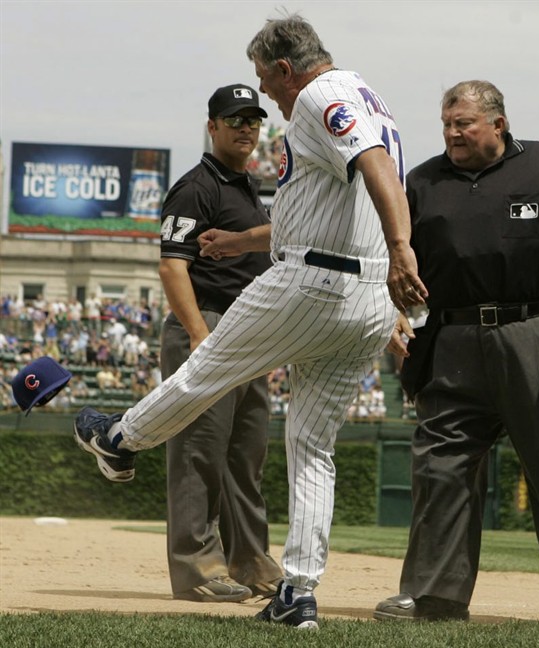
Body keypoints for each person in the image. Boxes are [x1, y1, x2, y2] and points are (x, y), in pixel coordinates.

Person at [72, 14, 425, 630]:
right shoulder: (372, 95)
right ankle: (298, 595)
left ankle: (119, 440)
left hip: (314, 284)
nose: (264, 91)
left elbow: (374, 167)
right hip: (364, 297)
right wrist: (245, 243)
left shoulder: (319, 93)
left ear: (287, 68)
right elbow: (338, 197)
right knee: (312, 447)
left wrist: (403, 249)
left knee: (206, 369)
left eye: (265, 77)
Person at [374, 80, 539, 625]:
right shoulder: (420, 181)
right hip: (452, 336)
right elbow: (392, 259)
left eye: (463, 123)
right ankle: (435, 597)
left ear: (498, 123)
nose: (452, 133)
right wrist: (394, 313)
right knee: (440, 467)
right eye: (446, 123)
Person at [158, 83, 283, 603]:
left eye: (252, 119)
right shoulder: (196, 186)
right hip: (208, 326)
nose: (246, 129)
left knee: (244, 460)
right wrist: (198, 334)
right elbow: (172, 263)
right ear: (211, 127)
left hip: (246, 333)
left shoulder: (246, 186)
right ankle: (198, 570)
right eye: (234, 120)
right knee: (198, 456)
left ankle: (251, 564)